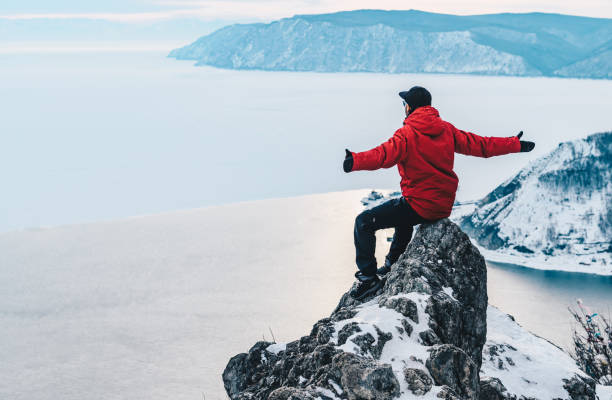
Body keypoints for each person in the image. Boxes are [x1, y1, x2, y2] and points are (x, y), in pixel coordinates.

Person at [343, 86, 535, 300]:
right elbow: (481, 145)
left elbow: (382, 156)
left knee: (364, 222)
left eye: (405, 104)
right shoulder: (446, 129)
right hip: (442, 204)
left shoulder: (406, 134)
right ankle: (392, 263)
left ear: (409, 107)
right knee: (403, 211)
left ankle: (368, 279)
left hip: (420, 204)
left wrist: (354, 161)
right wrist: (514, 144)